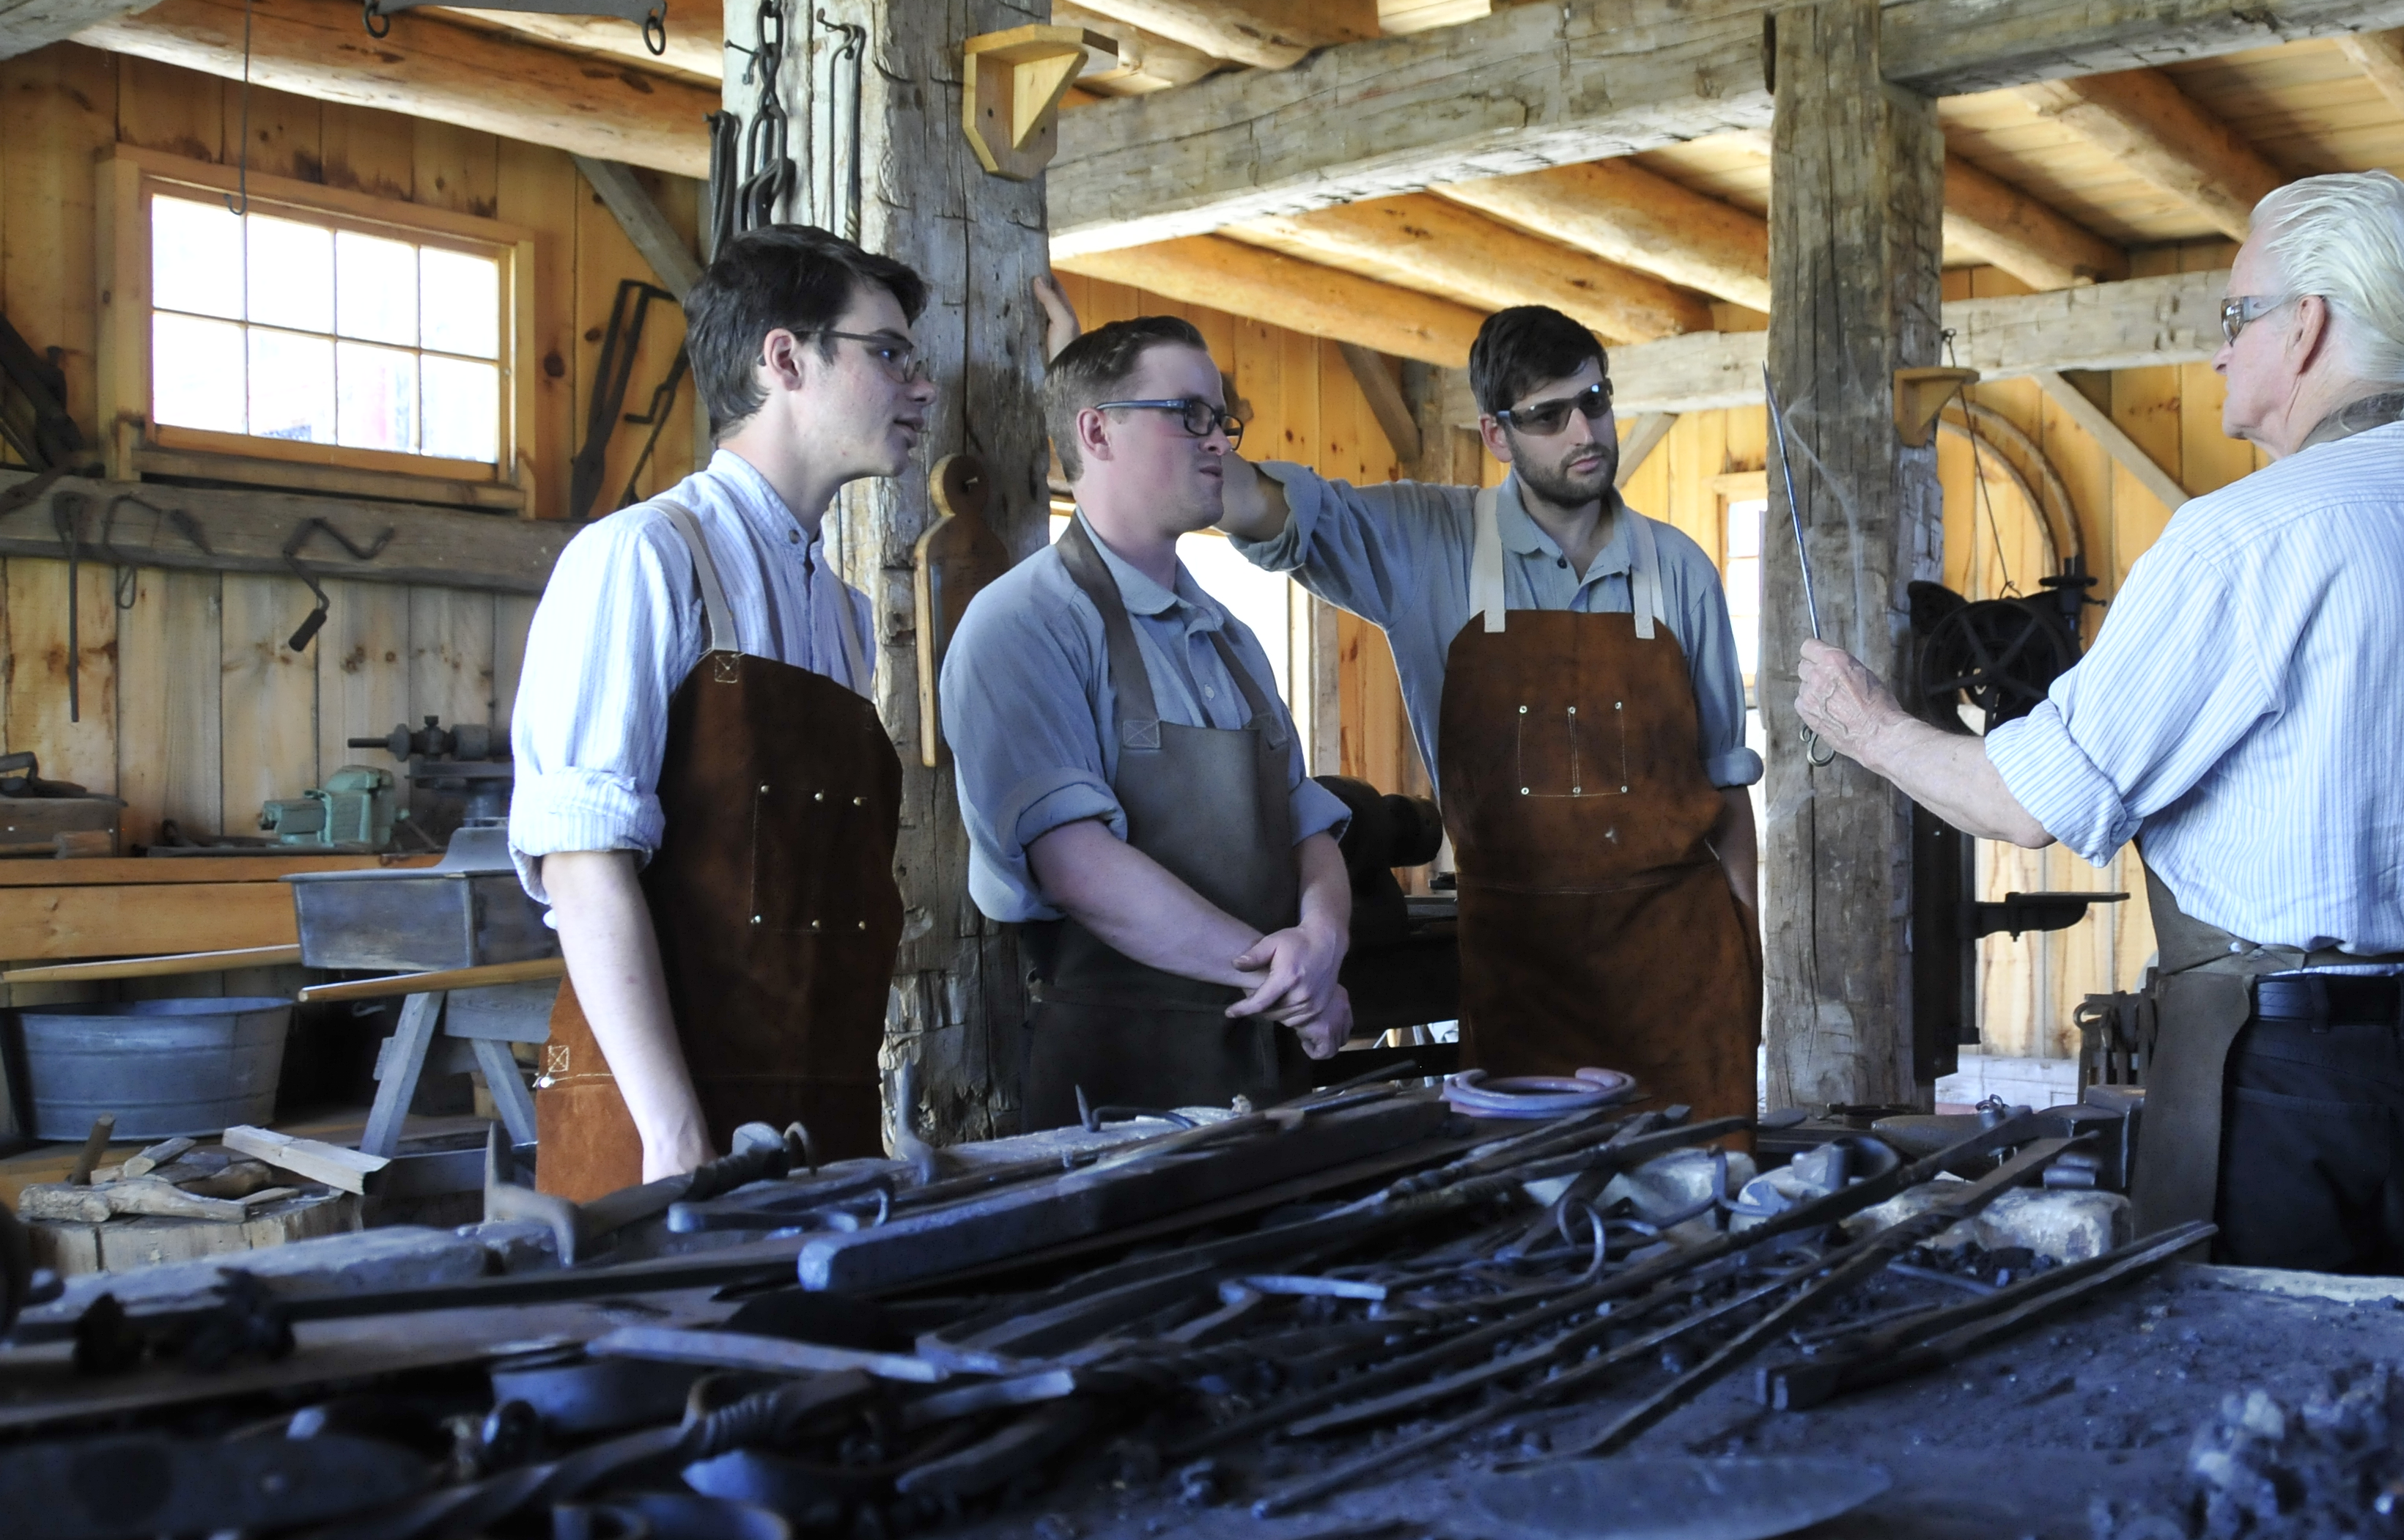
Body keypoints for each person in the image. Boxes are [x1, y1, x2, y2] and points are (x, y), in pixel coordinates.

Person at [1794, 172, 2404, 1277]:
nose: (2218, 355)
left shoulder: (2244, 541)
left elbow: (2023, 806)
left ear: (2310, 326)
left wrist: (1865, 725)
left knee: (2246, 1398)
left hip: (2280, 1087)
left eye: (2236, 319)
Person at [1036, 283, 1761, 1124]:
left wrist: (1746, 956)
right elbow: (1240, 496)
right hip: (1522, 969)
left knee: (1709, 1204)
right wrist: (1083, 390)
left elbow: (1725, 787)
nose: (1584, 432)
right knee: (1538, 1224)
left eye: (1594, 402)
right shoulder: (1422, 543)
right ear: (1493, 433)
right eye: (1547, 414)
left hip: (1679, 962)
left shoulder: (1678, 570)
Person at [511, 225, 933, 1198]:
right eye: (888, 353)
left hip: (816, 1107)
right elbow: (582, 864)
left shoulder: (842, 613)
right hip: (662, 1133)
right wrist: (671, 1134)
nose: (920, 387)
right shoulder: (641, 559)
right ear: (785, 358)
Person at [942, 314, 1355, 1127]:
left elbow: (1307, 826)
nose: (1219, 443)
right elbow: (1079, 869)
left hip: (1266, 1076)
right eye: (1190, 414)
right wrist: (1278, 978)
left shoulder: (1230, 637)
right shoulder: (1024, 624)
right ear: (1097, 431)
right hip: (1118, 1100)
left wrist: (1322, 940)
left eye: (1223, 419)